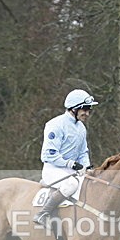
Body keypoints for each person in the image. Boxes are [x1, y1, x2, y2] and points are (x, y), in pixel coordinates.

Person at [32, 89, 98, 227]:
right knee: (71, 184)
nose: (87, 113)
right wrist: (71, 164)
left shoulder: (81, 128)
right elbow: (48, 154)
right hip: (53, 169)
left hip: (71, 171)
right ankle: (43, 214)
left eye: (89, 110)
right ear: (74, 109)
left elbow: (83, 152)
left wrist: (87, 167)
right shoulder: (55, 125)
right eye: (84, 109)